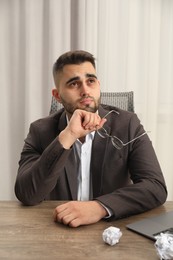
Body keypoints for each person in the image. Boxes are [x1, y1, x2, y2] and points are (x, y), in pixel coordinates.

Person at [15, 50, 167, 228]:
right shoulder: (40, 130)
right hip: (58, 230)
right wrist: (68, 136)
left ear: (98, 85)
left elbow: (155, 186)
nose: (85, 90)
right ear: (57, 95)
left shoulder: (128, 124)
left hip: (112, 228)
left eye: (91, 81)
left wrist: (99, 207)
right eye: (73, 84)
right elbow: (27, 194)